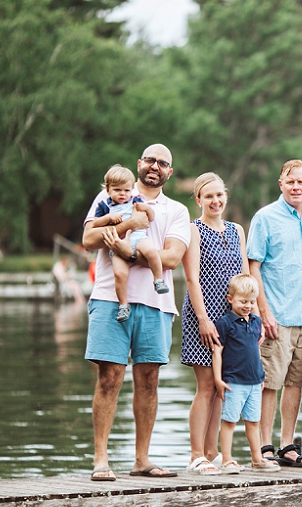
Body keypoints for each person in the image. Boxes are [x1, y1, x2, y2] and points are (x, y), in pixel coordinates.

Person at [82, 144, 190, 481]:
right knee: (109, 378)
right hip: (110, 298)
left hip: (156, 305)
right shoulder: (111, 195)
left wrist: (124, 250)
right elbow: (89, 238)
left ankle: (141, 459)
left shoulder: (175, 210)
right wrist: (116, 232)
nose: (155, 166)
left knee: (149, 381)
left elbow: (171, 259)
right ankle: (101, 460)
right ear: (139, 164)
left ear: (169, 172)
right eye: (150, 160)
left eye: (163, 163)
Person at [247, 160, 302, 467]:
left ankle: (287, 444)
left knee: (295, 383)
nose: (296, 187)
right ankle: (264, 446)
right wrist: (264, 312)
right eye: (290, 182)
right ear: (281, 183)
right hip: (276, 317)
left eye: (301, 182)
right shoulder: (266, 217)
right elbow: (253, 266)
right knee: (270, 382)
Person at [180, 172, 249, 475]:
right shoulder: (193, 230)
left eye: (219, 195)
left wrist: (252, 318)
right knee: (206, 386)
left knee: (224, 387)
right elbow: (192, 277)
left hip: (233, 320)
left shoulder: (236, 230)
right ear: (199, 200)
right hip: (203, 317)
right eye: (208, 196)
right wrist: (203, 319)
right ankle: (197, 455)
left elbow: (246, 278)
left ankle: (213, 452)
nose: (215, 200)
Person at [213, 274, 281, 473]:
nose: (248, 306)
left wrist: (260, 374)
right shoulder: (225, 323)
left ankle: (257, 459)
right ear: (230, 299)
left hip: (255, 382)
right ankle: (226, 459)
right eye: (243, 301)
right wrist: (218, 379)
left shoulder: (255, 322)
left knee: (253, 421)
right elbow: (218, 352)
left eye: (251, 302)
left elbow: (255, 350)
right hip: (234, 380)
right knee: (230, 420)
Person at [89, 164, 170, 322]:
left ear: (132, 190)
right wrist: (107, 219)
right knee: (119, 274)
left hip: (138, 238)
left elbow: (151, 217)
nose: (122, 194)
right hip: (117, 245)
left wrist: (145, 208)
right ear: (108, 190)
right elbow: (93, 226)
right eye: (117, 190)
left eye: (126, 190)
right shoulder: (104, 206)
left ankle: (158, 279)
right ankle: (123, 305)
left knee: (152, 252)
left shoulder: (136, 201)